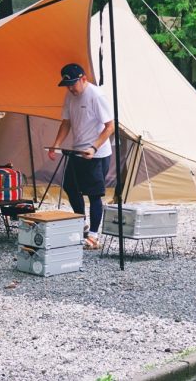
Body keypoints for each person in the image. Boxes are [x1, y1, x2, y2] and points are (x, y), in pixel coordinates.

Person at [48, 63, 115, 251]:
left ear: (83, 79)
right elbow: (66, 122)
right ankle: (80, 223)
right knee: (70, 186)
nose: (70, 88)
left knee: (94, 194)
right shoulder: (70, 95)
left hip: (97, 153)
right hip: (77, 150)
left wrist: (94, 148)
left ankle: (94, 236)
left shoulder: (96, 95)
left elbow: (110, 126)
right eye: (67, 84)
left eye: (73, 84)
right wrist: (56, 144)